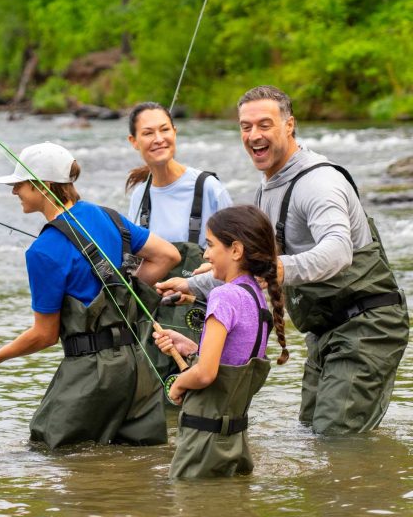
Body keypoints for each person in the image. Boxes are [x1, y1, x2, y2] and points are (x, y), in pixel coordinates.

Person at [158, 85, 409, 435]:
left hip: (367, 325)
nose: (254, 135)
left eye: (265, 125)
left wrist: (277, 268)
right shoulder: (267, 185)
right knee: (310, 432)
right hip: (325, 331)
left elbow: (338, 250)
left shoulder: (319, 183)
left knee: (338, 438)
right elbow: (250, 267)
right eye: (246, 127)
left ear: (289, 126)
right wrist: (190, 285)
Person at [0, 142, 181, 449]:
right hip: (138, 366)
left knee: (48, 449)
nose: (14, 192)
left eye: (19, 185)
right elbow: (167, 256)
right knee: (137, 456)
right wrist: (124, 292)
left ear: (45, 187)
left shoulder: (43, 251)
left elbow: (45, 335)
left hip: (92, 373)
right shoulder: (106, 215)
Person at [153, 205, 289, 478]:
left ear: (236, 250)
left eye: (211, 245)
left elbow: (205, 374)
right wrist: (189, 347)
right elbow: (234, 360)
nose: (205, 254)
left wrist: (178, 385)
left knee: (189, 510)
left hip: (203, 442)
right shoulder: (254, 297)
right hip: (235, 442)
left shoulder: (224, 296)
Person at [125, 101, 233, 381]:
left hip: (205, 316)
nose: (159, 139)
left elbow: (239, 259)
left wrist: (202, 275)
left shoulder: (207, 188)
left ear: (175, 132)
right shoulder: (140, 195)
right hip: (157, 322)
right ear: (134, 141)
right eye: (148, 133)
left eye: (164, 130)